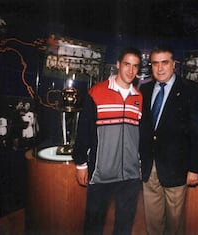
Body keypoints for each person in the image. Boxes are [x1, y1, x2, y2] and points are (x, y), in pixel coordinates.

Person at [72, 47, 143, 235]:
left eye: (135, 66)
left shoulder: (139, 97)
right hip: (101, 173)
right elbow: (83, 131)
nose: (130, 70)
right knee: (94, 225)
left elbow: (141, 136)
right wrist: (80, 164)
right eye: (127, 64)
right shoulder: (96, 93)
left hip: (130, 176)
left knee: (124, 226)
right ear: (118, 65)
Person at [139, 45, 198, 235]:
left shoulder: (190, 90)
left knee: (175, 222)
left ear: (174, 64)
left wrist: (195, 168)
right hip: (149, 167)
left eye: (165, 63)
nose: (160, 68)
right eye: (155, 64)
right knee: (152, 219)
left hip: (177, 168)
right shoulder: (144, 89)